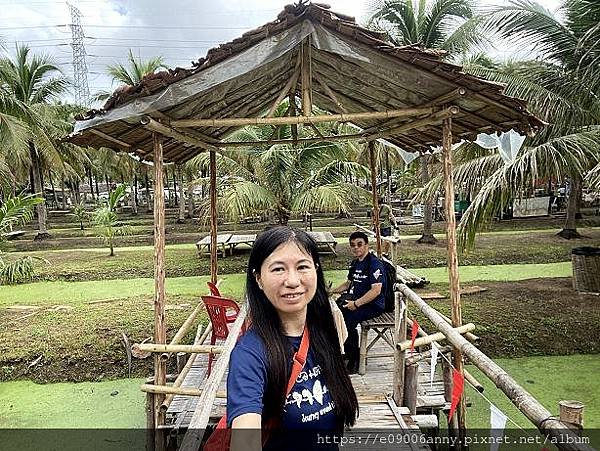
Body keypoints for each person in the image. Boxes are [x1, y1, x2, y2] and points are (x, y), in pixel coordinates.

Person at [227, 227, 358, 451]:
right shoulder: (250, 355)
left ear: (316, 270)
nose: (293, 280)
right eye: (278, 269)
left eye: (302, 267)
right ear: (258, 278)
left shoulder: (324, 331)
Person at [331, 231, 386, 374]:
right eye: (353, 245)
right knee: (337, 313)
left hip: (374, 305)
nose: (356, 248)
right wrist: (332, 291)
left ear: (366, 245)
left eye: (359, 244)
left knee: (348, 321)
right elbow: (348, 283)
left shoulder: (374, 264)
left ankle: (354, 360)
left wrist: (355, 304)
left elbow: (376, 291)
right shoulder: (356, 263)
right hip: (357, 301)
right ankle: (345, 352)